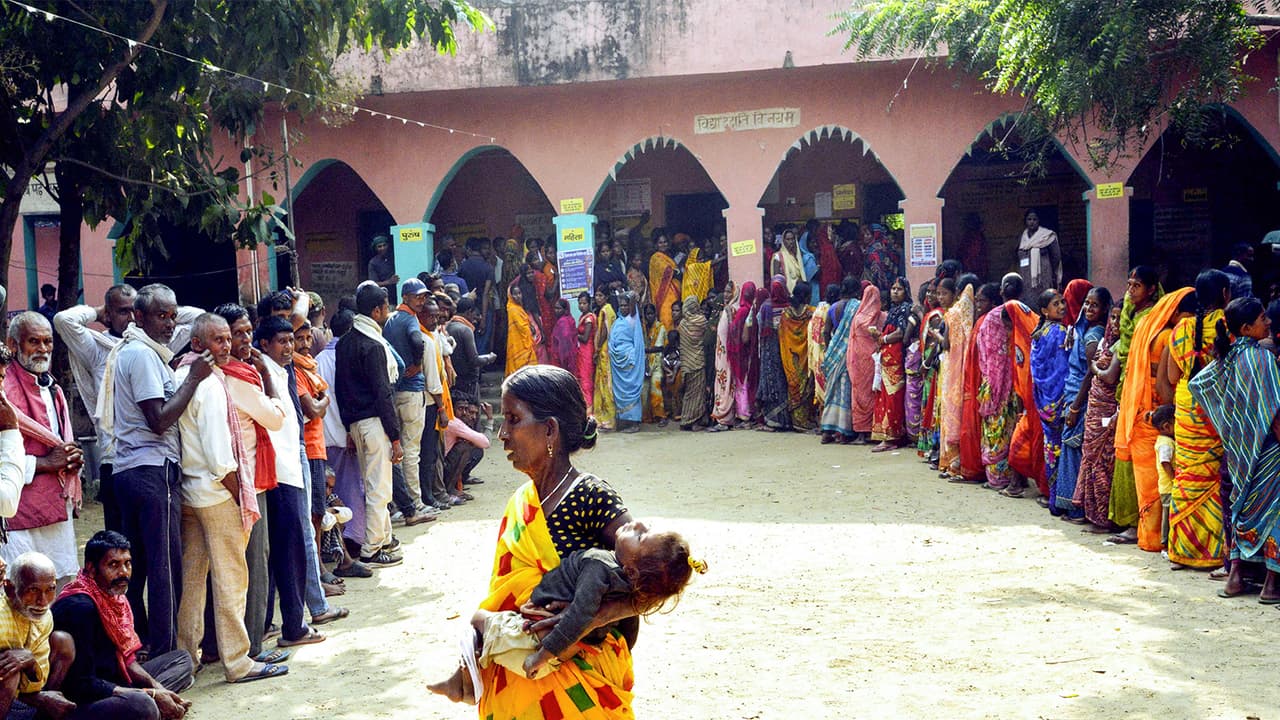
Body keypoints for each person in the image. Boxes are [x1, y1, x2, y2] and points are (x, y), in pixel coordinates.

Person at [468, 365, 636, 717]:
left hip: (580, 682)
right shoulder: (522, 502)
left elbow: (653, 573)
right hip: (520, 675)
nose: (502, 434)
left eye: (513, 419)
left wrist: (589, 620)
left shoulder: (590, 495)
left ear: (550, 430)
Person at [430, 519, 703, 702]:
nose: (638, 524)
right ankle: (461, 682)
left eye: (640, 537)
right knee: (486, 638)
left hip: (540, 638)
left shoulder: (599, 565)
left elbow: (580, 615)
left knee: (478, 619)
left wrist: (543, 655)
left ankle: (465, 685)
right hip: (568, 645)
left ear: (632, 570)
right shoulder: (630, 587)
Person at [170, 314, 284, 685]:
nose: (226, 346)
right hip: (218, 493)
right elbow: (221, 459)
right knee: (231, 579)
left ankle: (187, 659)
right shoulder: (211, 384)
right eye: (217, 340)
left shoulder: (181, 374)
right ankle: (237, 661)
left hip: (190, 490)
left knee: (193, 580)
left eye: (226, 339)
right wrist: (241, 499)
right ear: (197, 344)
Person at [98, 284, 211, 657]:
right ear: (139, 316)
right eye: (161, 316)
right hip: (151, 469)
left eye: (173, 316)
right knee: (165, 568)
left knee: (142, 566)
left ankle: (141, 644)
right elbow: (159, 420)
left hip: (133, 470)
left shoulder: (143, 351)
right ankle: (166, 653)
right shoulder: (143, 355)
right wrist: (193, 378)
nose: (170, 323)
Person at [55, 285, 201, 534]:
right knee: (120, 543)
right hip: (115, 459)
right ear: (109, 314)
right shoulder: (98, 348)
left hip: (154, 457)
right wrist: (97, 312)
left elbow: (199, 318)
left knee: (154, 543)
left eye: (136, 311)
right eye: (123, 311)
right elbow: (63, 320)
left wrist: (159, 309)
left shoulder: (155, 344)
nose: (132, 317)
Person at [1189, 297, 1280, 601]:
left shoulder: (1227, 358)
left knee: (1240, 510)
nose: (1268, 322)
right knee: (1273, 512)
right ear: (1246, 328)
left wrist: (1228, 424)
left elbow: (1199, 384)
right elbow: (1275, 411)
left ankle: (1235, 579)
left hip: (1238, 452)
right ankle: (1270, 585)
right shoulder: (1263, 359)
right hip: (1266, 450)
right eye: (1263, 318)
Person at [53, 532, 195, 719]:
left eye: (127, 563)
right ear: (91, 569)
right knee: (143, 706)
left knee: (182, 660)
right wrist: (150, 694)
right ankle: (150, 705)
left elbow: (127, 659)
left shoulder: (115, 597)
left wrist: (157, 688)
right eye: (113, 565)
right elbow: (80, 685)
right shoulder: (80, 608)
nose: (124, 572)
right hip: (84, 698)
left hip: (116, 680)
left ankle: (156, 701)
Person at [1, 313, 82, 581]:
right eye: (34, 342)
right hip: (18, 513)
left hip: (56, 506)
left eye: (48, 342)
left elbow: (59, 442)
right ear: (13, 345)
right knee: (20, 586)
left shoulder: (51, 387)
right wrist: (45, 463)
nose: (43, 349)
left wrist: (71, 458)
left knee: (59, 583)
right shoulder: (4, 388)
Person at [1110, 286, 1192, 549]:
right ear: (1176, 313)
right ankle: (1159, 537)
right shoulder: (1169, 336)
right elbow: (1167, 383)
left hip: (1140, 414)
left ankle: (1149, 537)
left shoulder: (1146, 330)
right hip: (1161, 415)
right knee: (1160, 481)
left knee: (1148, 481)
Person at [1166, 270, 1231, 568]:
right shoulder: (1228, 325)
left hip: (1186, 405)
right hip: (1216, 407)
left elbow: (1172, 376)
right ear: (1226, 294)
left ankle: (1182, 550)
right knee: (1213, 477)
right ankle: (1214, 551)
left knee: (1186, 475)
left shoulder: (1181, 329)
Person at [334, 283, 403, 569]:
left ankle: (383, 540)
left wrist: (348, 427)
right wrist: (395, 436)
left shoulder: (346, 342)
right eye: (386, 307)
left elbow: (340, 389)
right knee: (379, 488)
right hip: (375, 423)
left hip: (356, 423)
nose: (387, 312)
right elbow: (382, 393)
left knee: (374, 484)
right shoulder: (373, 345)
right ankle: (372, 549)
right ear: (377, 310)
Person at [382, 279, 436, 525]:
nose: (421, 301)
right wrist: (415, 363)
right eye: (417, 297)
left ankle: (398, 504)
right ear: (405, 297)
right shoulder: (411, 320)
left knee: (396, 450)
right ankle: (415, 503)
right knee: (411, 450)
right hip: (412, 390)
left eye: (423, 297)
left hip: (394, 390)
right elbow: (417, 341)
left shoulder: (390, 320)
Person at [0, 552, 76, 720]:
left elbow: (34, 683)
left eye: (50, 590)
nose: (43, 601)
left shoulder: (44, 616)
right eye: (33, 590)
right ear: (9, 589)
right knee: (9, 671)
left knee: (64, 642)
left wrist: (29, 661)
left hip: (18, 694)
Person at [1056, 284, 1109, 520]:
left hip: (1080, 398)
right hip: (1073, 394)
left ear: (1104, 309)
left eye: (1095, 305)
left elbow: (1090, 374)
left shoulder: (1092, 336)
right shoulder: (1086, 330)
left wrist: (1076, 407)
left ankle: (1077, 508)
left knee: (1074, 450)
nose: (1088, 308)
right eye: (1087, 303)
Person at [1028, 289, 1070, 510]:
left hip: (1044, 402)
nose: (1062, 307)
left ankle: (1053, 498)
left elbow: (1038, 374)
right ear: (1044, 310)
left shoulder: (1038, 333)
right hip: (1059, 401)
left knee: (1051, 450)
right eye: (1056, 304)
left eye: (1062, 302)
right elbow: (1062, 370)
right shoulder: (1060, 332)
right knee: (1062, 451)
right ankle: (1061, 500)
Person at [872, 277, 915, 451]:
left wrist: (883, 339)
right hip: (887, 357)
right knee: (886, 396)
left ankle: (891, 437)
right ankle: (890, 434)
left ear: (906, 292)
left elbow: (900, 333)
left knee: (893, 397)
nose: (895, 292)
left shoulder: (905, 309)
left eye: (899, 289)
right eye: (893, 288)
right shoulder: (893, 309)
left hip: (896, 358)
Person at [937, 282, 975, 475]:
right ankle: (961, 462)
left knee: (951, 411)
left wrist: (936, 335)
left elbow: (946, 344)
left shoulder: (953, 314)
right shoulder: (973, 317)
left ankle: (952, 463)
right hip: (967, 369)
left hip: (952, 369)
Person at [849, 283, 884, 445]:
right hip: (875, 360)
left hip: (859, 362)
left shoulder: (857, 319)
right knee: (875, 393)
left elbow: (852, 341)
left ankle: (861, 434)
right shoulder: (882, 317)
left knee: (859, 395)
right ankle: (874, 431)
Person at [777, 283, 814, 431]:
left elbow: (781, 336)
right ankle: (805, 421)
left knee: (793, 385)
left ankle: (796, 421)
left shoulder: (785, 315)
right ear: (807, 296)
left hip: (789, 356)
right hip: (805, 357)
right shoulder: (812, 313)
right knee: (806, 385)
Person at [755, 279, 791, 432]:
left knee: (771, 382)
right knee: (783, 380)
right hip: (786, 349)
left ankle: (773, 420)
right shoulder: (789, 306)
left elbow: (759, 327)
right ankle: (786, 419)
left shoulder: (765, 307)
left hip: (769, 351)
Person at [608, 292, 646, 433]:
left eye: (626, 305)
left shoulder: (632, 318)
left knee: (632, 389)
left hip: (629, 359)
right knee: (620, 391)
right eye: (621, 305)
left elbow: (633, 304)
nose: (623, 308)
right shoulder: (617, 322)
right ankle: (625, 421)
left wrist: (631, 297)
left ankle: (635, 423)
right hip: (617, 361)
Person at [727, 282, 759, 427]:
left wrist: (729, 318)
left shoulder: (741, 311)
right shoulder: (752, 310)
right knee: (747, 381)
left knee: (742, 383)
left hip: (740, 352)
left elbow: (735, 331)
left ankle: (743, 413)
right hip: (749, 351)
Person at [709, 281, 738, 432]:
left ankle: (725, 418)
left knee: (725, 384)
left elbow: (733, 333)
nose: (726, 295)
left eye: (729, 292)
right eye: (725, 291)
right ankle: (723, 416)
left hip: (727, 355)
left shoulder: (730, 310)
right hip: (721, 355)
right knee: (722, 383)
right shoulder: (725, 309)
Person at [677, 297, 710, 431]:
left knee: (689, 393)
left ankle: (686, 418)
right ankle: (693, 421)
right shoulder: (702, 321)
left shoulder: (682, 324)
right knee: (697, 394)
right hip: (698, 361)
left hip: (686, 363)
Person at [1017, 210, 1061, 301]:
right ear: (1025, 221)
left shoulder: (1047, 236)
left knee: (1044, 299)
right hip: (1026, 277)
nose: (1032, 222)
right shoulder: (1023, 237)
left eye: (1034, 219)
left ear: (1039, 221)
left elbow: (1056, 256)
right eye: (1029, 219)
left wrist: (1048, 269)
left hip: (1043, 276)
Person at [1150, 404, 1177, 551]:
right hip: (1169, 487)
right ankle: (1165, 544)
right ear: (1167, 426)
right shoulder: (1166, 443)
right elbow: (1165, 462)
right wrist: (1175, 479)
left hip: (1168, 486)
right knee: (1168, 516)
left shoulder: (1165, 440)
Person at [592, 290, 617, 432]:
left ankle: (608, 418)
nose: (598, 298)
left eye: (601, 295)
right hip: (608, 349)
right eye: (596, 295)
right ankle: (606, 417)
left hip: (604, 350)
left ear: (606, 297)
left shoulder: (605, 310)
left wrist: (597, 349)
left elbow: (604, 332)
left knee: (605, 384)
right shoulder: (610, 309)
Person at [504, 283, 540, 375]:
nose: (518, 296)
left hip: (524, 339)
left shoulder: (518, 307)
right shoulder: (512, 309)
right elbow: (521, 326)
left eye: (519, 293)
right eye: (515, 294)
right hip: (519, 342)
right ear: (510, 296)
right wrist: (530, 330)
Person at [640, 304, 667, 426]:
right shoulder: (643, 328)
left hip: (656, 362)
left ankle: (661, 416)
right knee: (644, 390)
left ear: (655, 314)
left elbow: (660, 347)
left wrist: (645, 350)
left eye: (651, 313)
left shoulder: (660, 327)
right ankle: (647, 416)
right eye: (647, 314)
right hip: (645, 363)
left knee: (656, 387)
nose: (649, 316)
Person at [648, 234, 681, 332]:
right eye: (660, 242)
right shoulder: (655, 258)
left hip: (674, 293)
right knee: (666, 318)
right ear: (656, 245)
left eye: (665, 242)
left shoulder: (668, 257)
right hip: (663, 296)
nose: (663, 244)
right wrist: (676, 272)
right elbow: (667, 271)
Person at [573, 293, 596, 410]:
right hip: (582, 351)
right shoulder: (583, 316)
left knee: (586, 380)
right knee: (581, 379)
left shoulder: (589, 319)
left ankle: (589, 410)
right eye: (580, 303)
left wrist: (573, 333)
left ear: (589, 303)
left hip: (587, 350)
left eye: (584, 303)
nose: (581, 306)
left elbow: (585, 338)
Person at [367, 235, 399, 305]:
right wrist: (389, 282)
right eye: (379, 246)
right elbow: (373, 283)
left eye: (384, 245)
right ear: (375, 248)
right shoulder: (373, 263)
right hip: (385, 299)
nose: (382, 248)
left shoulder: (395, 257)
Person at [548, 300, 577, 372]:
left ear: (565, 310)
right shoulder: (570, 319)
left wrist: (563, 362)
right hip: (570, 356)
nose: (556, 311)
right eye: (555, 308)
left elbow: (564, 344)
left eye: (559, 308)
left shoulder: (562, 322)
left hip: (560, 359)